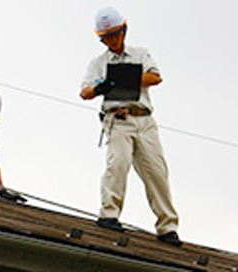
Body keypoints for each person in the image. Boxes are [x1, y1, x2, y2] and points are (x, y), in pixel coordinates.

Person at [80, 6, 181, 246]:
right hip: (118, 120)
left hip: (144, 120)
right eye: (107, 37)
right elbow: (84, 92)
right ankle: (109, 214)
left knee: (157, 173)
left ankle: (168, 226)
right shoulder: (98, 63)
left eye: (115, 34)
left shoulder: (140, 53)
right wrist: (101, 88)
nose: (112, 40)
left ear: (123, 31)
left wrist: (123, 80)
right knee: (117, 164)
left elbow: (155, 76)